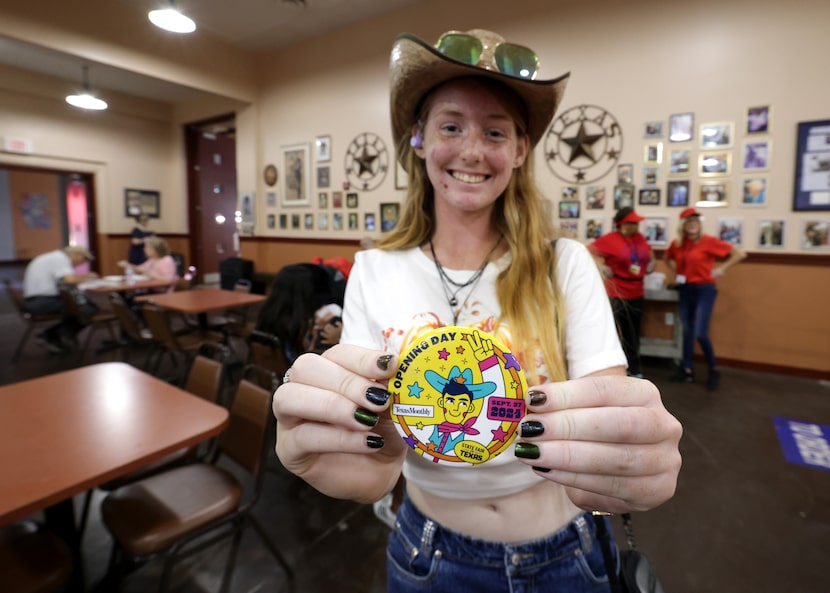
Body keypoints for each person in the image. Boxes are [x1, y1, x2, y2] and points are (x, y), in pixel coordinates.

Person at [272, 29, 682, 593]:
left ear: (519, 151)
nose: (470, 151)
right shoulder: (374, 269)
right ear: (418, 139)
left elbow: (603, 427)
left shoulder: (565, 263)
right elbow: (376, 455)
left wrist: (630, 451)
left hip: (567, 552)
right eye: (450, 125)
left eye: (495, 131)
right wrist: (351, 452)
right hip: (427, 554)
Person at [665, 208, 747, 390]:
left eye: (696, 220)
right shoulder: (677, 244)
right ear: (683, 225)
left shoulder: (708, 242)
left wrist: (721, 269)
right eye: (689, 221)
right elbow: (667, 257)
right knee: (686, 332)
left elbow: (739, 254)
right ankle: (686, 370)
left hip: (704, 290)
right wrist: (677, 272)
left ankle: (713, 369)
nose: (693, 224)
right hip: (685, 290)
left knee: (700, 333)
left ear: (699, 224)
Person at [588, 207, 654, 378]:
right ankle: (608, 369)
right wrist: (601, 267)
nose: (636, 225)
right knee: (610, 333)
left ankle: (634, 368)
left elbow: (649, 255)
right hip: (616, 293)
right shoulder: (610, 240)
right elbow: (586, 251)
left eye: (636, 223)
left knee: (633, 333)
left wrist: (652, 264)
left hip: (637, 291)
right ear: (621, 224)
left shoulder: (639, 238)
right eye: (632, 223)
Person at [255, 263, 344, 363]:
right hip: (293, 373)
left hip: (269, 371)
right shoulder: (295, 326)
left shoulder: (268, 314)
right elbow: (305, 362)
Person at [22, 245, 99, 353]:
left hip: (36, 300)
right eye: (83, 260)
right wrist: (87, 276)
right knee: (87, 308)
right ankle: (50, 335)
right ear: (77, 255)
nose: (81, 264)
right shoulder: (60, 259)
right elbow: (70, 280)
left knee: (84, 306)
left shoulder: (54, 257)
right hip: (41, 302)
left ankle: (55, 336)